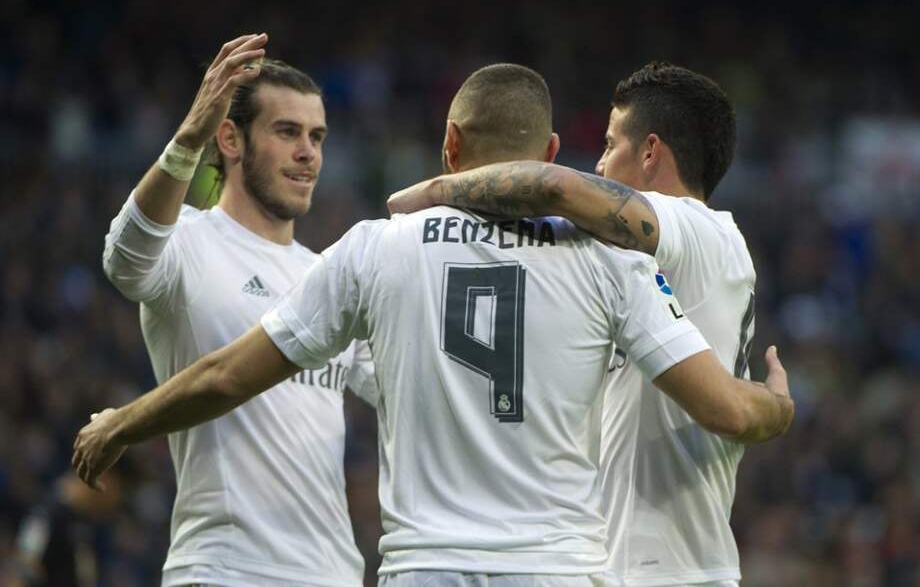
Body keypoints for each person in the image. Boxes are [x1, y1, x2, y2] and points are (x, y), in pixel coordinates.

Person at [75, 63, 792, 586]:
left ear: (451, 147)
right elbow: (725, 406)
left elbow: (227, 373)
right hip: (558, 566)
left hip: (426, 566)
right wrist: (778, 401)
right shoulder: (611, 260)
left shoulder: (375, 249)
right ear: (547, 152)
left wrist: (123, 423)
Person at [387, 61, 760, 587]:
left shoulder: (695, 229)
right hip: (629, 565)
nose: (601, 166)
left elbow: (557, 188)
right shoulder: (636, 269)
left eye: (610, 145)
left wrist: (435, 192)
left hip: (667, 570)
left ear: (651, 152)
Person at [100, 34, 375, 587]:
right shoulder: (190, 245)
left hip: (333, 575)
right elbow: (124, 261)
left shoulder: (328, 275)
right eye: (287, 132)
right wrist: (186, 138)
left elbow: (401, 384)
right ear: (229, 138)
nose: (309, 153)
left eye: (317, 137)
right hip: (227, 570)